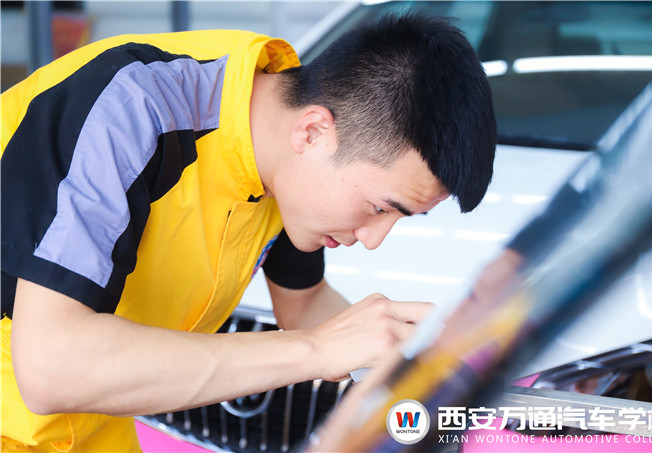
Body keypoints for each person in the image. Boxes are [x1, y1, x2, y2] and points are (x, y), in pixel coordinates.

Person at [0, 12, 496, 451]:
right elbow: (52, 368)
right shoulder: (131, 110)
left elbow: (303, 302)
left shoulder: (278, 146)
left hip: (90, 429)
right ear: (313, 132)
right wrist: (318, 350)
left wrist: (417, 370)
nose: (373, 239)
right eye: (379, 207)